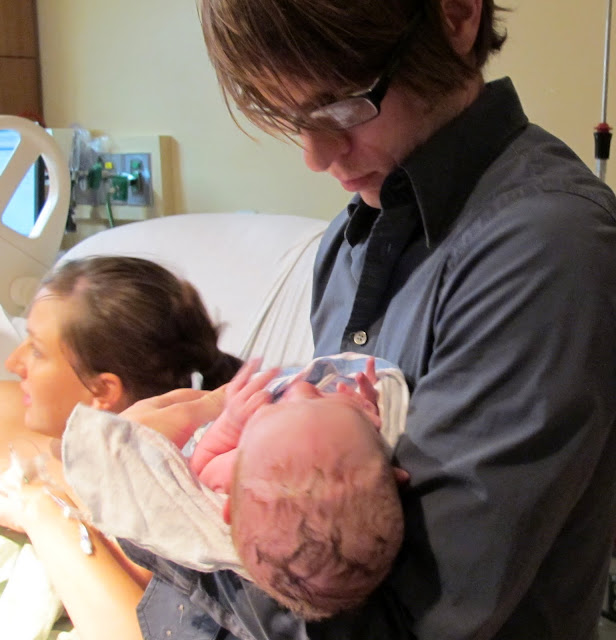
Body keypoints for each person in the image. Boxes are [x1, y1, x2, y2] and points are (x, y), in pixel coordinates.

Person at [115, 0, 616, 639]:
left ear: (457, 15)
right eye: (291, 118)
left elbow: (403, 622)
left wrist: (141, 500)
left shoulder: (546, 248)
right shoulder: (351, 240)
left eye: (341, 105)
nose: (316, 155)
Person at [0, 255, 241, 640]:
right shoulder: (21, 413)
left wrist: (40, 510)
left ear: (102, 390)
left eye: (37, 351)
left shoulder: (157, 516)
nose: (14, 362)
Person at [62, 354, 409, 620]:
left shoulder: (232, 476)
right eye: (319, 398)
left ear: (230, 505)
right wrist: (365, 411)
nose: (300, 388)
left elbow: (200, 467)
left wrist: (228, 425)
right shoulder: (356, 449)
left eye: (318, 398)